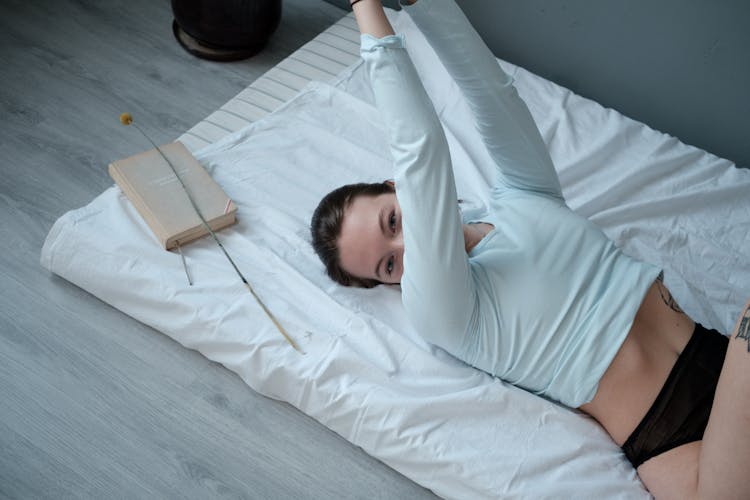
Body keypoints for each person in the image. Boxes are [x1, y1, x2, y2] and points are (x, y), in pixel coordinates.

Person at [310, 0, 750, 497]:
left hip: (721, 358)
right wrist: (365, 5)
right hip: (677, 448)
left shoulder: (522, 195)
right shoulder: (441, 311)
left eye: (394, 219)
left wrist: (424, 6)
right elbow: (422, 148)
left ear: (397, 189)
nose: (409, 246)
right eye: (389, 265)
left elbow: (489, 92)